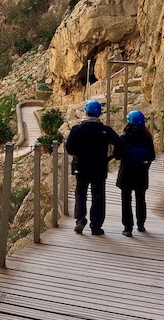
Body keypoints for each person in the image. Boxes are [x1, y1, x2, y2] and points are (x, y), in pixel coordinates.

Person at [66, 100, 121, 235]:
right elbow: (119, 143)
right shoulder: (105, 130)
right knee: (98, 196)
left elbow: (70, 148)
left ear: (85, 111)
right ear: (99, 114)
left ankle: (80, 220)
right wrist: (113, 156)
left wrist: (79, 154)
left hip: (82, 166)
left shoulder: (77, 129)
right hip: (99, 167)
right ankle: (96, 226)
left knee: (80, 193)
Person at [117, 110, 156, 237]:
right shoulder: (147, 137)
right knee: (141, 198)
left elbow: (117, 156)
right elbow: (152, 156)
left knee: (126, 200)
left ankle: (128, 227)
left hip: (127, 171)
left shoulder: (125, 137)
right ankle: (141, 223)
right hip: (141, 172)